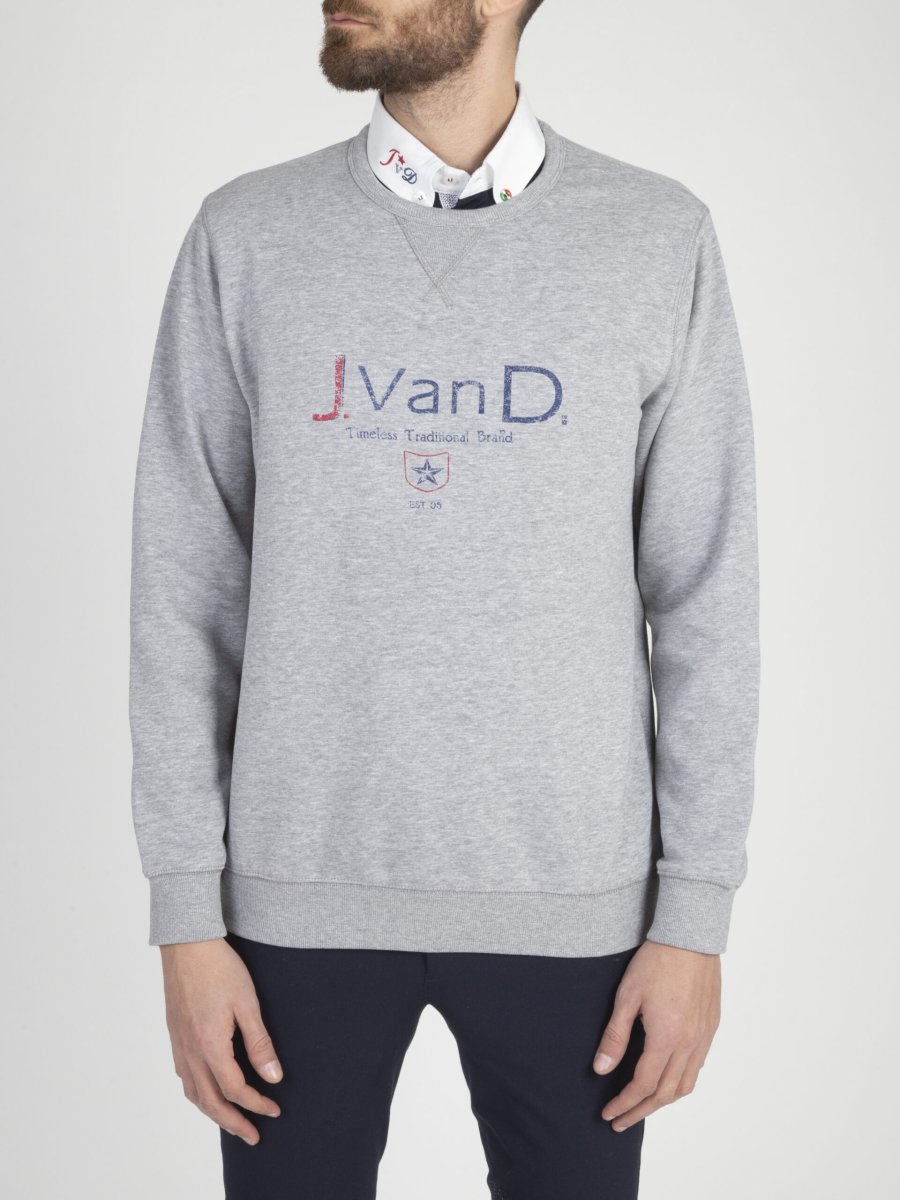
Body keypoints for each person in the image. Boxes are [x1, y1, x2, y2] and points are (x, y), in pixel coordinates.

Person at [128, 1, 761, 1196]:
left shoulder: (654, 237)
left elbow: (706, 599)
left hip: (577, 905)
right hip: (288, 907)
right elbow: (182, 590)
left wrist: (693, 917)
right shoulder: (245, 237)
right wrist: (186, 920)